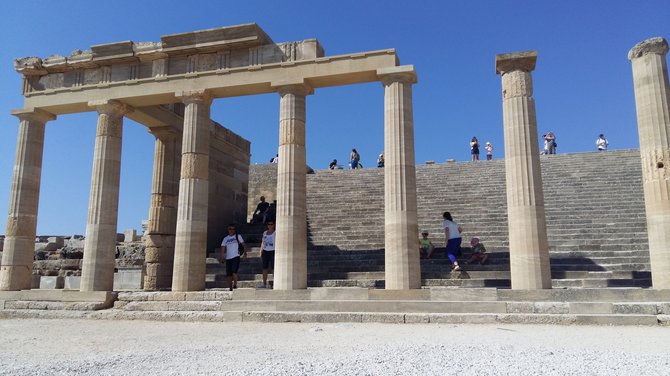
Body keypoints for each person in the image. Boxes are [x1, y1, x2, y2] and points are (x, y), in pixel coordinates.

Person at [221, 224, 246, 291]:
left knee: (234, 271)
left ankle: (235, 284)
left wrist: (245, 253)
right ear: (228, 230)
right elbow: (223, 248)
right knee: (228, 274)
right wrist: (222, 257)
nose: (231, 230)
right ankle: (230, 288)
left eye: (233, 229)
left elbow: (244, 245)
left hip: (236, 256)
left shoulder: (238, 236)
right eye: (230, 229)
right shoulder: (225, 238)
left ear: (235, 230)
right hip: (228, 257)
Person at [258, 221, 276, 288]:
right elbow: (263, 242)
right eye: (269, 224)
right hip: (265, 251)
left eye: (271, 224)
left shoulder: (275, 233)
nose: (270, 225)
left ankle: (275, 282)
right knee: (264, 268)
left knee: (273, 268)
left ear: (274, 225)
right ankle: (264, 283)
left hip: (273, 251)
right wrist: (261, 250)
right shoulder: (265, 233)